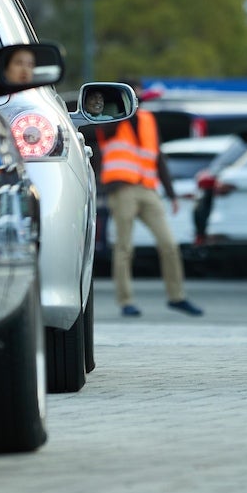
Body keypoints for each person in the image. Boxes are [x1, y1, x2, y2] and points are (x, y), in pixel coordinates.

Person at [92, 83, 203, 318]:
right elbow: (106, 134)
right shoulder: (111, 117)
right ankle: (126, 301)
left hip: (148, 188)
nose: (136, 98)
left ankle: (177, 297)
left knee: (169, 244)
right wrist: (120, 108)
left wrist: (171, 193)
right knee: (124, 247)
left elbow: (158, 157)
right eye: (130, 93)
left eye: (137, 93)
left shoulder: (148, 119)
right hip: (122, 189)